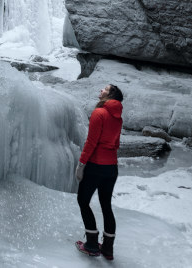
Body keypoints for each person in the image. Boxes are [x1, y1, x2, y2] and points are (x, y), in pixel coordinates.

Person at [75, 84, 123, 260]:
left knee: (82, 200)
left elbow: (91, 142)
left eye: (104, 89)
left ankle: (92, 245)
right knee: (106, 206)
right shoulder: (118, 118)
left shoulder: (99, 113)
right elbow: (116, 144)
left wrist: (81, 164)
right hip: (111, 167)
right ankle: (108, 249)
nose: (100, 90)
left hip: (96, 165)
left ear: (110, 95)